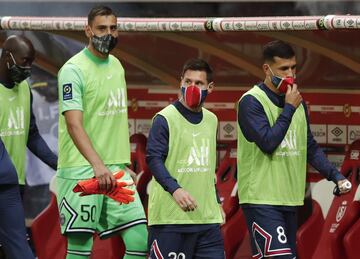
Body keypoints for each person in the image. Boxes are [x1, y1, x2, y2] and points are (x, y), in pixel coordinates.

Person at [237, 40, 351, 258]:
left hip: (289, 200)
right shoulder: (251, 102)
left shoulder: (298, 103)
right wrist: (289, 108)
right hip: (261, 199)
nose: (290, 75)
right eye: (283, 69)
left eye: (293, 68)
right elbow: (268, 143)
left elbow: (308, 145)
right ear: (266, 69)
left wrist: (335, 175)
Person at [56, 6, 147, 259]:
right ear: (88, 30)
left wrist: (121, 162)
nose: (108, 34)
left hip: (114, 169)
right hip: (81, 170)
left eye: (113, 28)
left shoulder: (117, 66)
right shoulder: (72, 70)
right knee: (81, 248)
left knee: (139, 239)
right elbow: (74, 124)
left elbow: (112, 120)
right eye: (101, 29)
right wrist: (97, 165)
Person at [146, 58, 225, 259]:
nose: (192, 87)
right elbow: (154, 159)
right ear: (180, 82)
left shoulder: (212, 119)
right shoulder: (164, 118)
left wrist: (216, 202)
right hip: (170, 220)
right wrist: (176, 190)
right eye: (187, 82)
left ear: (210, 87)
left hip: (207, 220)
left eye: (198, 83)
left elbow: (208, 168)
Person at [0, 35, 58, 259]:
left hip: (13, 186)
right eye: (24, 61)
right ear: (7, 56)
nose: (28, 68)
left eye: (31, 62)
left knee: (16, 248)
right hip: (5, 182)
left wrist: (57, 163)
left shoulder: (24, 90)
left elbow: (31, 134)